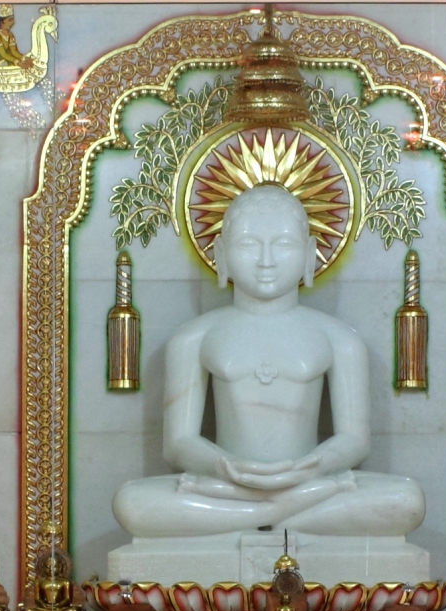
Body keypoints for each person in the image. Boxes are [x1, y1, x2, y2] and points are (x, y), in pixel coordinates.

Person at [113, 184, 425, 538]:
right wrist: (224, 466)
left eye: (284, 244)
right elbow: (178, 443)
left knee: (406, 500)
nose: (266, 260)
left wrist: (311, 468)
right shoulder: (194, 338)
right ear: (221, 254)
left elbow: (354, 440)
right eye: (248, 244)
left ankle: (256, 516)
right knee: (131, 502)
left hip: (306, 482)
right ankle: (278, 515)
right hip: (229, 486)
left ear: (309, 254)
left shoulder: (340, 339)